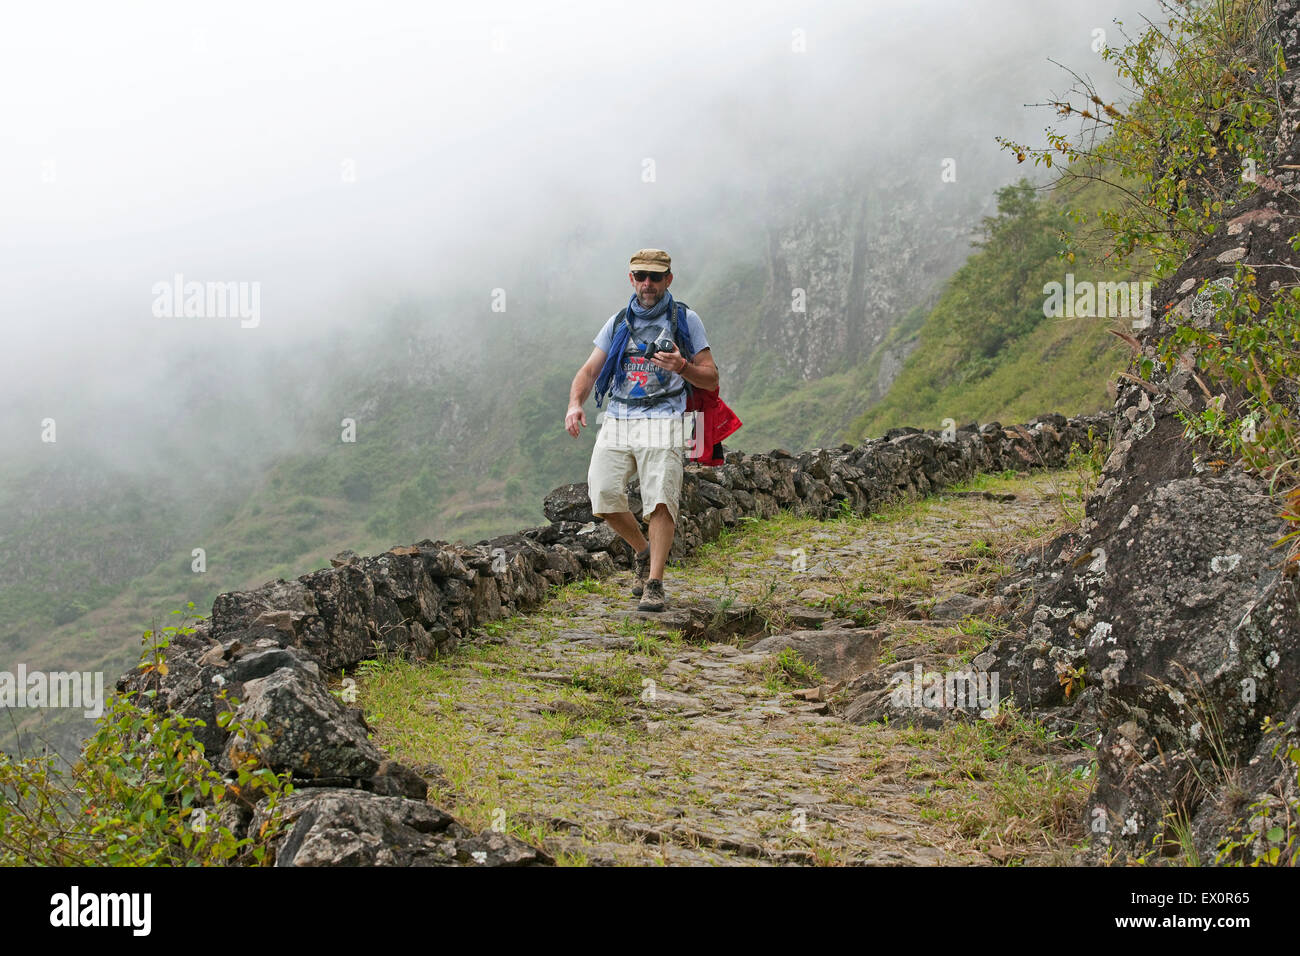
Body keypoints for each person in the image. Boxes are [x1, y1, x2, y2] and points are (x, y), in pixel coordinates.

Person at [565, 248, 719, 612]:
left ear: (668, 279)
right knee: (601, 494)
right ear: (631, 279)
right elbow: (589, 371)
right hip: (619, 416)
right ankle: (643, 550)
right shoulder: (618, 321)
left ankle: (654, 582)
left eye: (655, 276)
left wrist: (682, 366)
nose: (647, 283)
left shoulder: (686, 319)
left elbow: (711, 378)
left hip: (665, 416)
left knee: (661, 498)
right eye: (640, 276)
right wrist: (575, 404)